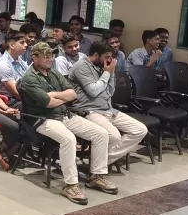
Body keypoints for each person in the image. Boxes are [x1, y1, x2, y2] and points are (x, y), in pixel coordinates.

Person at [17, 42, 116, 205]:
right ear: (34, 57)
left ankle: (96, 176)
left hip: (64, 114)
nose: (50, 59)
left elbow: (73, 94)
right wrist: (61, 98)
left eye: (52, 56)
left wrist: (54, 95)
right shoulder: (29, 78)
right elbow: (47, 103)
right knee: (69, 139)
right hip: (43, 119)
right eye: (46, 56)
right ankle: (70, 185)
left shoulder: (54, 72)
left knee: (101, 134)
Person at [69, 41, 149, 166]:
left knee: (140, 130)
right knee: (114, 136)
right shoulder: (81, 66)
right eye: (107, 57)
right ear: (96, 55)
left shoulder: (103, 66)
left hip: (108, 109)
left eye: (111, 58)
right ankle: (99, 165)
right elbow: (93, 91)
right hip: (88, 110)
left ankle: (101, 161)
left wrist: (111, 73)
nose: (109, 60)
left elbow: (110, 92)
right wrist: (107, 72)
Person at [0, 32, 29, 107]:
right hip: (12, 101)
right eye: (22, 42)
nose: (26, 45)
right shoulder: (3, 65)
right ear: (12, 45)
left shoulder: (19, 59)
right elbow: (17, 94)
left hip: (25, 95)